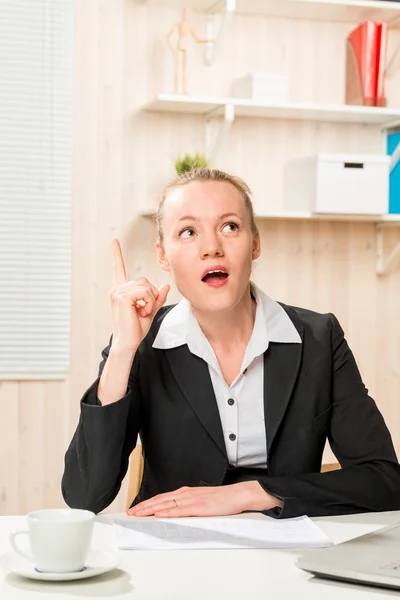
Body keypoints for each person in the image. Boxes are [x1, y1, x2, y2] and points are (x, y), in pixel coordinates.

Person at [62, 168, 400, 519]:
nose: (212, 248)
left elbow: (385, 480)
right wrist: (122, 351)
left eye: (230, 227)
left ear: (255, 243)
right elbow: (85, 496)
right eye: (188, 232)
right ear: (163, 255)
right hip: (170, 554)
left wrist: (253, 493)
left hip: (287, 556)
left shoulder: (319, 338)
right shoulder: (142, 345)